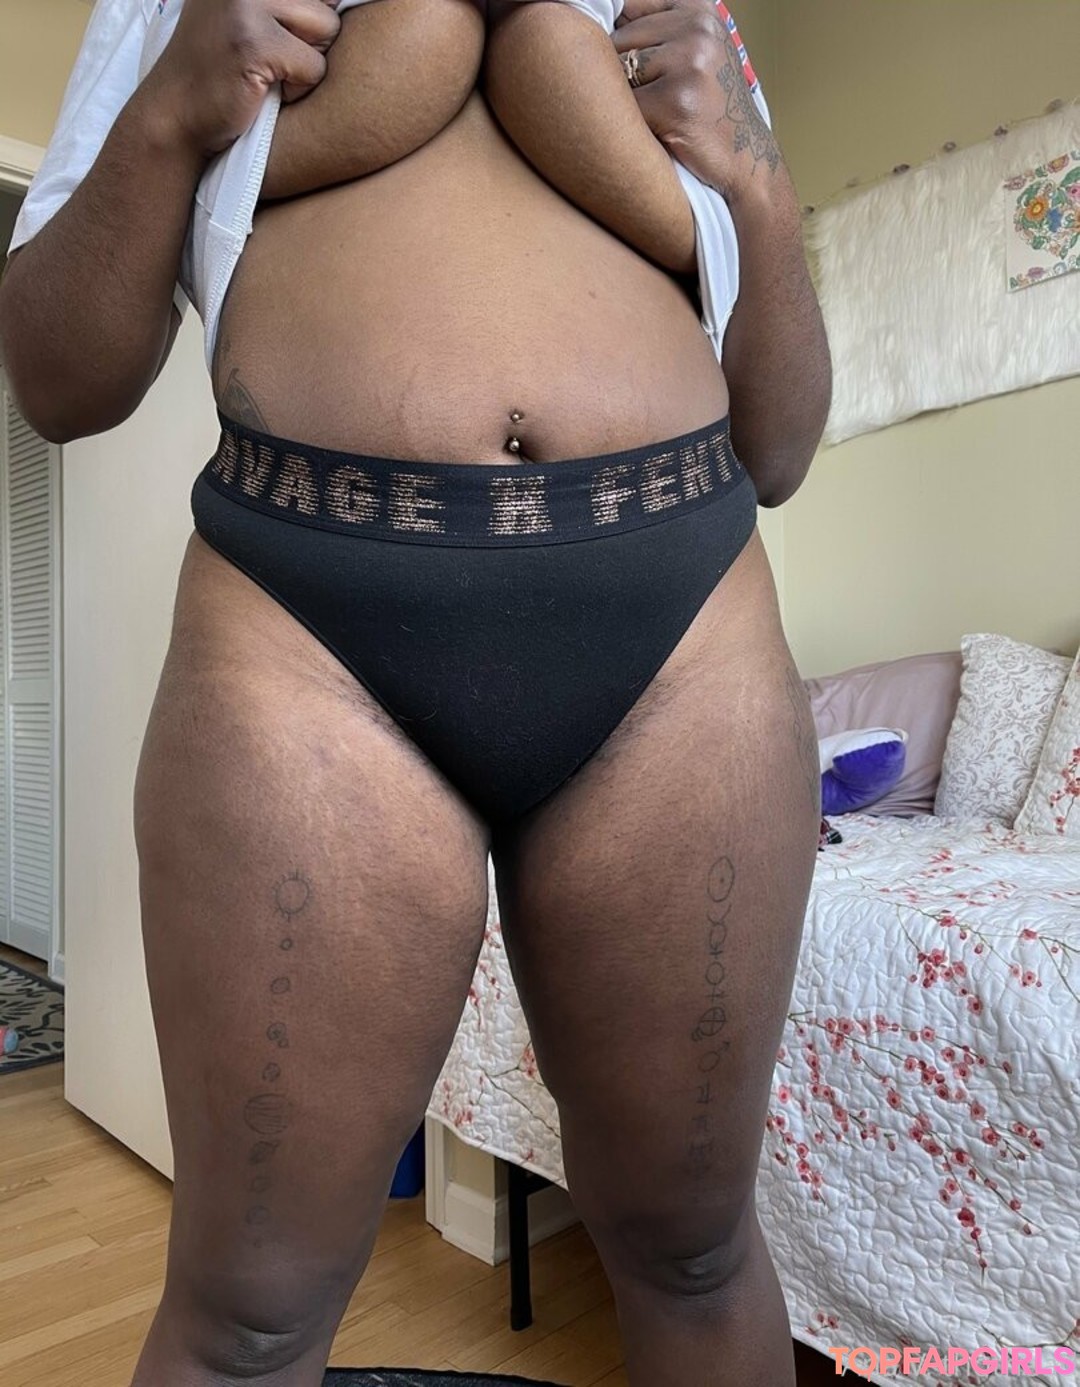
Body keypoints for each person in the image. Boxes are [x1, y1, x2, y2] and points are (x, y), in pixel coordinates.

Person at [0, 1, 832, 1383]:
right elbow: (54, 377)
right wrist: (175, 104)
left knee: (697, 1250)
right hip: (307, 630)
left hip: (685, 626)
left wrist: (758, 183)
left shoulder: (686, 16)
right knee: (248, 1314)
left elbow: (786, 443)